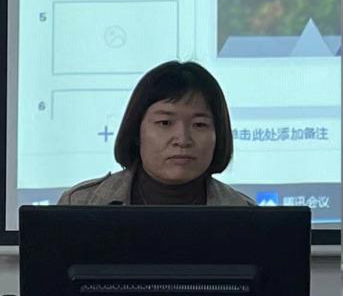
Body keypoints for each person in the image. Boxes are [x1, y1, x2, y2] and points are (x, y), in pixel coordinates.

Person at [59, 61, 253, 206]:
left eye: (199, 125)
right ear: (136, 131)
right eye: (165, 123)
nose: (183, 140)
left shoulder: (245, 213)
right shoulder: (79, 204)